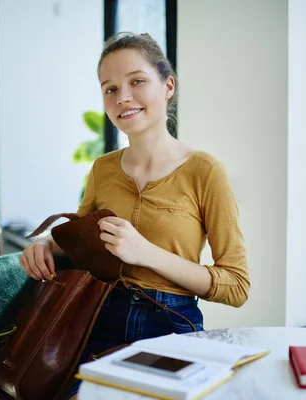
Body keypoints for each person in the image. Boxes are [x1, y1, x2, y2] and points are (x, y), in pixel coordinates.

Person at [19, 32, 249, 399]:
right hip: (93, 315)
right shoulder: (102, 169)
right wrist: (48, 245)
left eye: (137, 81)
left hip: (170, 323)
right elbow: (81, 246)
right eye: (109, 89)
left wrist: (146, 253)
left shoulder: (206, 172)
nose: (122, 97)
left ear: (167, 86)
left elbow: (236, 286)